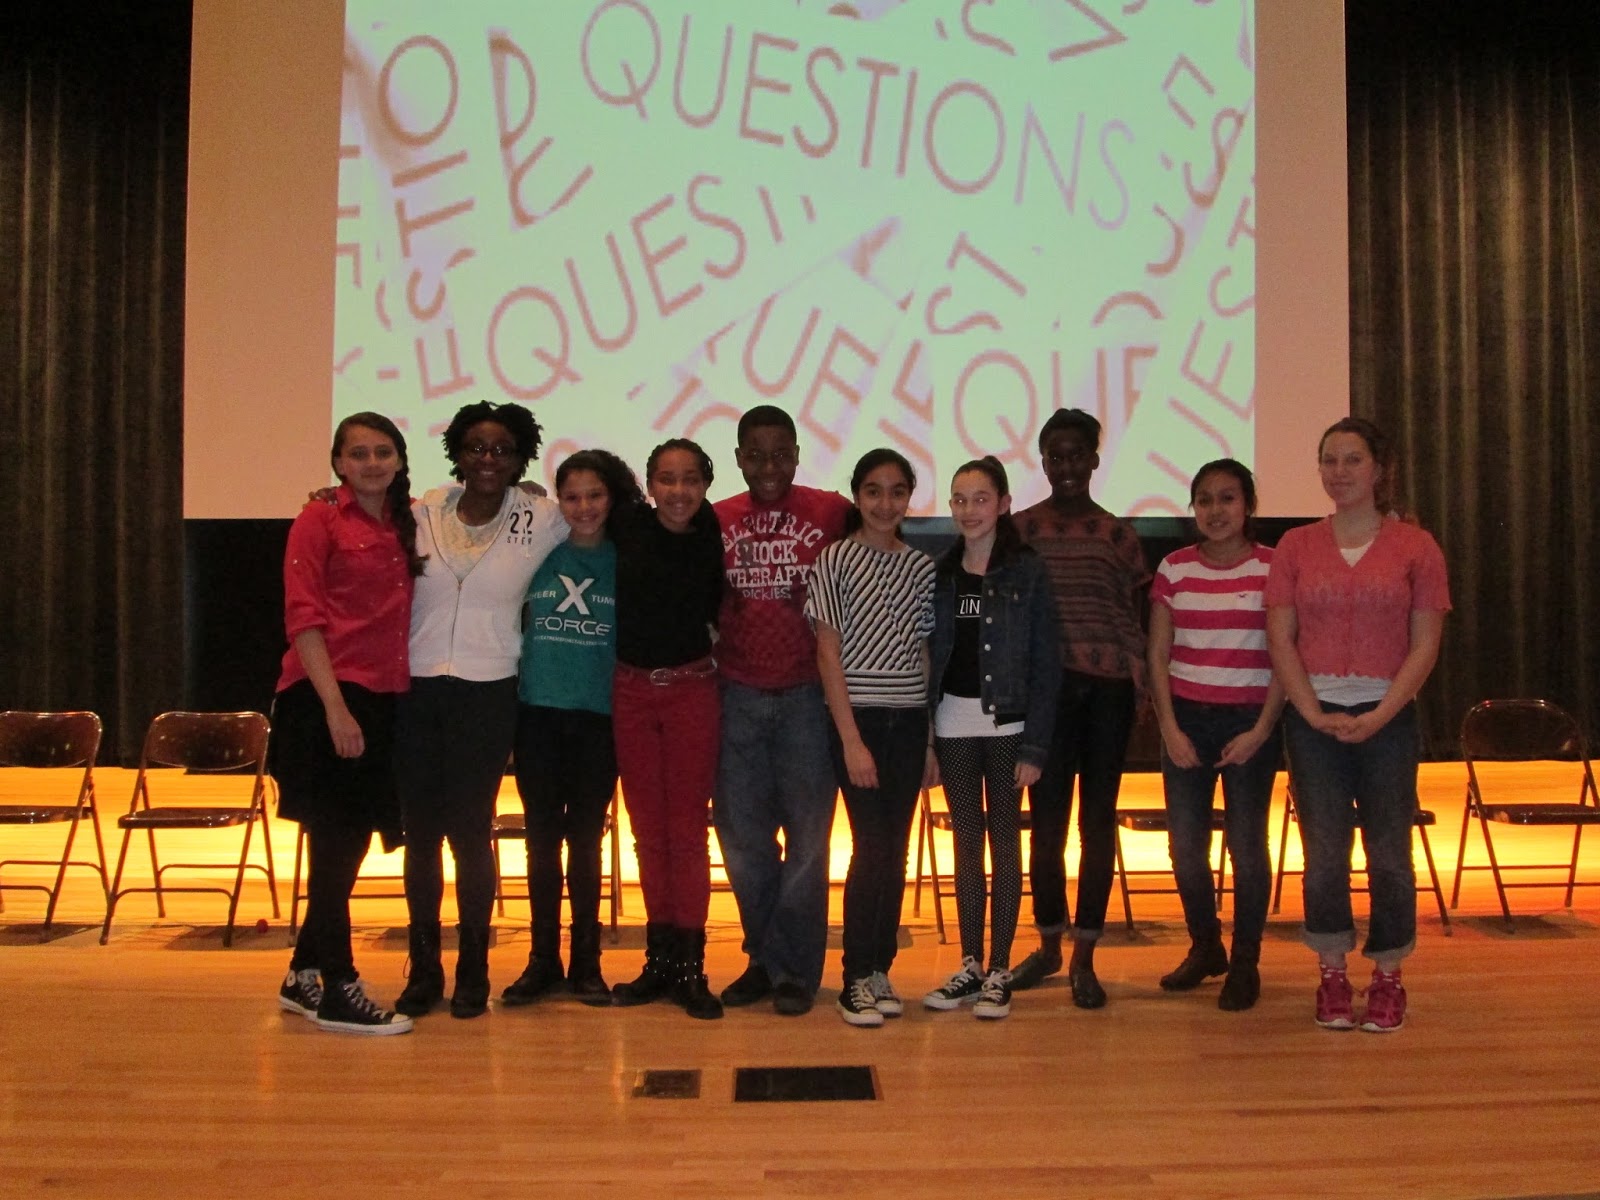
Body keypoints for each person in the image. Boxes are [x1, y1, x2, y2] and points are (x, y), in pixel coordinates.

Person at [1266, 417, 1449, 1033]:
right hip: (1313, 717)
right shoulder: (1295, 546)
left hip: (1389, 719)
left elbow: (1425, 643)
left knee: (1390, 855)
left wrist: (1381, 714)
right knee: (1324, 856)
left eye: (1351, 459)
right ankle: (1333, 973)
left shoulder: (1416, 547)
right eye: (1328, 460)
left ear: (1378, 468)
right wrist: (1311, 709)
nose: (1338, 472)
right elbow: (1281, 638)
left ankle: (1390, 976)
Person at [393, 401, 567, 1020]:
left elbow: (606, 514)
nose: (488, 459)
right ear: (457, 454)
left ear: (521, 458)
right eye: (475, 447)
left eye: (501, 450)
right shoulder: (418, 513)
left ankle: (472, 967)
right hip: (416, 690)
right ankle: (423, 969)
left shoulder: (544, 518)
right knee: (420, 836)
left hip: (489, 690)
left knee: (471, 832)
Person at [270, 412, 422, 1035]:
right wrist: (335, 709)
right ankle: (339, 985)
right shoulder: (317, 519)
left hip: (384, 697)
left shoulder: (410, 518)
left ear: (400, 458)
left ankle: (302, 972)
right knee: (334, 846)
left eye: (383, 452)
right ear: (337, 462)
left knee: (349, 842)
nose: (372, 463)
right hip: (326, 698)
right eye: (358, 453)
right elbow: (303, 618)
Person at [712, 406, 851, 1018]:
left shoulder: (830, 512)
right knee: (742, 843)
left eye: (780, 453)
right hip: (736, 695)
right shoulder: (716, 519)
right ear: (739, 458)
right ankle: (762, 959)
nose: (769, 466)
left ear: (797, 453)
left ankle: (795, 969)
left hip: (806, 700)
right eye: (756, 454)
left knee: (809, 844)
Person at [1011, 408, 1149, 1008]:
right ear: (1042, 462)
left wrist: (1143, 684)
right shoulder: (1020, 532)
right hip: (1045, 697)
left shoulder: (1118, 535)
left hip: (1109, 694)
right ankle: (1046, 945)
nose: (1066, 466)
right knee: (1045, 828)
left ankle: (1085, 956)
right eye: (1054, 456)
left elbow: (1136, 618)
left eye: (1077, 455)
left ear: (1095, 459)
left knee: (1097, 825)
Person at [500, 450, 644, 1008]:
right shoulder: (536, 553)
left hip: (598, 718)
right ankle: (542, 961)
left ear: (613, 498)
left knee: (585, 841)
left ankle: (587, 964)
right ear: (558, 501)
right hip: (537, 714)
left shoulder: (626, 558)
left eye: (595, 495)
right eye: (573, 496)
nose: (584, 507)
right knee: (539, 840)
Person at [922, 457, 1059, 1021]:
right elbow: (927, 654)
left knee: (1005, 841)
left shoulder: (1027, 570)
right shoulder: (940, 571)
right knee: (965, 843)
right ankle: (970, 963)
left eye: (981, 499)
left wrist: (1036, 747)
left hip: (1009, 724)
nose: (969, 510)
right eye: (959, 499)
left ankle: (1000, 968)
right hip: (952, 722)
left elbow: (1047, 662)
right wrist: (926, 736)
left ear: (1004, 504)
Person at [1147, 459, 1286, 1012]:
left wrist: (1261, 729)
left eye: (1227, 498)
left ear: (1248, 504)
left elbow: (1285, 657)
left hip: (1250, 724)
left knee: (1248, 847)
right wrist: (1169, 727)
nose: (1215, 510)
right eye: (1204, 500)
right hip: (1187, 721)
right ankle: (1206, 947)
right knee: (1185, 849)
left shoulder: (1276, 568)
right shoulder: (1174, 569)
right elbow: (1158, 654)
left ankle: (1246, 958)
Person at [806, 448, 937, 1027]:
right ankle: (854, 976)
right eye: (874, 491)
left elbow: (925, 653)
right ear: (856, 495)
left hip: (909, 722)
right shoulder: (833, 559)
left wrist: (930, 738)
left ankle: (880, 967)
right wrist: (850, 738)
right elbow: (827, 651)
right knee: (871, 846)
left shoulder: (921, 567)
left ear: (910, 496)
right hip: (858, 719)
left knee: (897, 847)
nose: (886, 503)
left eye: (897, 491)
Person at [608, 438, 726, 1020]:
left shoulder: (718, 534)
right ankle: (658, 963)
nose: (678, 491)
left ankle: (691, 967)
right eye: (666, 479)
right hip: (629, 691)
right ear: (649, 485)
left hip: (691, 691)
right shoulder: (624, 525)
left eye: (689, 479)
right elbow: (559, 504)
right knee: (646, 833)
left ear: (706, 483)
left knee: (685, 832)